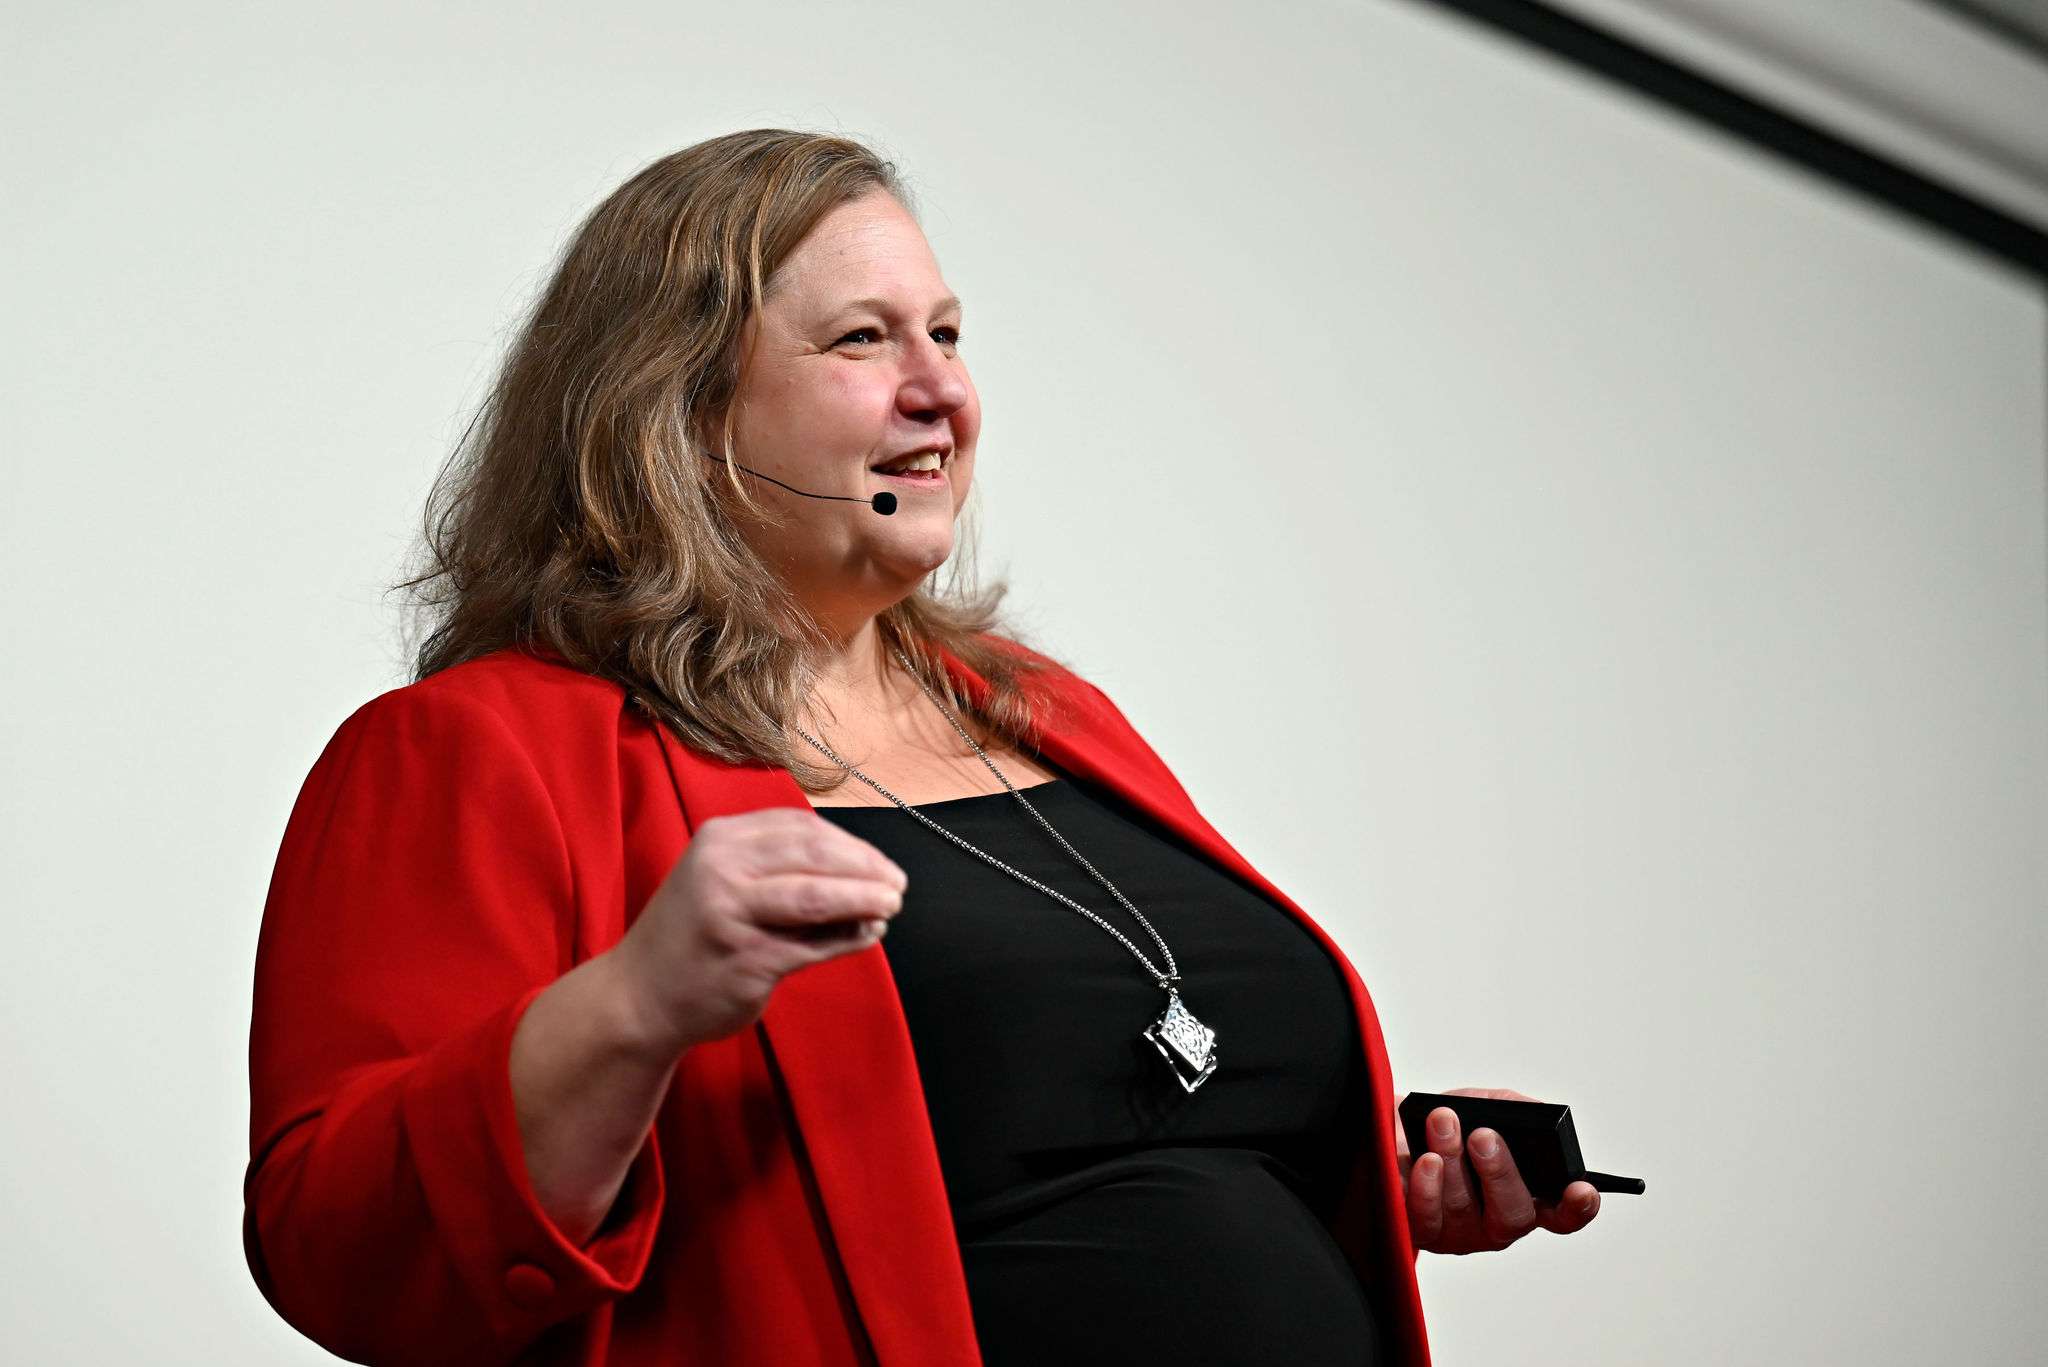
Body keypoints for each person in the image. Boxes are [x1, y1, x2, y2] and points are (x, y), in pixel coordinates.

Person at [244, 128, 1602, 1367]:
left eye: (947, 333)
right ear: (678, 408)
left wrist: (1377, 1165)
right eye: (861, 342)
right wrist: (636, 1006)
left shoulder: (1048, 712)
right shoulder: (476, 749)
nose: (941, 388)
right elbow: (340, 1252)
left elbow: (1060, 1134)